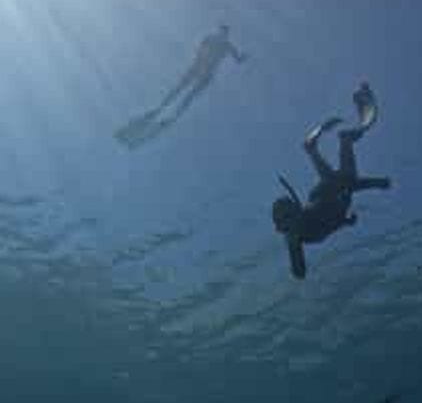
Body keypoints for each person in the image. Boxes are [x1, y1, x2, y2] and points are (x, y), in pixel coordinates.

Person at [272, 82, 391, 279]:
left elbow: (349, 186)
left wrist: (378, 183)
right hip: (327, 193)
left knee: (344, 175)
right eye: (286, 224)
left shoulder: (301, 231)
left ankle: (333, 143)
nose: (290, 227)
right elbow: (300, 273)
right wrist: (345, 222)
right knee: (335, 179)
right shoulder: (297, 237)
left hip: (331, 191)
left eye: (288, 220)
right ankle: (311, 149)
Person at [116, 23, 247, 148]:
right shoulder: (217, 40)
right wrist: (202, 60)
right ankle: (160, 111)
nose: (224, 34)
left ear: (224, 32)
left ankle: (169, 113)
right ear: (222, 31)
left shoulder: (224, 43)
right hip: (199, 69)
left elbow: (234, 57)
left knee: (186, 94)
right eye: (223, 31)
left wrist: (240, 58)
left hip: (202, 71)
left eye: (225, 32)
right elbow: (204, 49)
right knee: (180, 91)